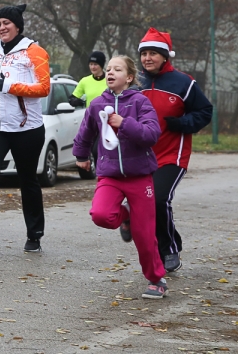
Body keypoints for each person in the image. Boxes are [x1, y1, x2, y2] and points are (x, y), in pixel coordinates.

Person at [73, 56, 168, 299]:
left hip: (139, 175)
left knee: (145, 234)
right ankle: (125, 216)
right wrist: (81, 155)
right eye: (108, 69)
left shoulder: (140, 102)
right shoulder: (96, 104)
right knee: (101, 215)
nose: (110, 73)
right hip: (110, 174)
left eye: (117, 69)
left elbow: (151, 134)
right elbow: (85, 133)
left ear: (129, 77)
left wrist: (123, 122)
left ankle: (156, 278)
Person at [0, 4, 51, 252]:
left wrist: (10, 86)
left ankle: (34, 234)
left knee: (27, 180)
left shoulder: (34, 52)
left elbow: (43, 88)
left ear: (17, 26)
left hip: (26, 128)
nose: (1, 28)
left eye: (6, 23)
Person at [138, 27, 212, 273]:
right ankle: (166, 238)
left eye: (153, 53)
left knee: (159, 199)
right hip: (139, 156)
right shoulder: (134, 81)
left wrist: (183, 124)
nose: (147, 58)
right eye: (144, 53)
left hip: (172, 154)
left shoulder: (184, 82)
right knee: (145, 203)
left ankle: (169, 250)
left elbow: (204, 111)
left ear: (165, 57)